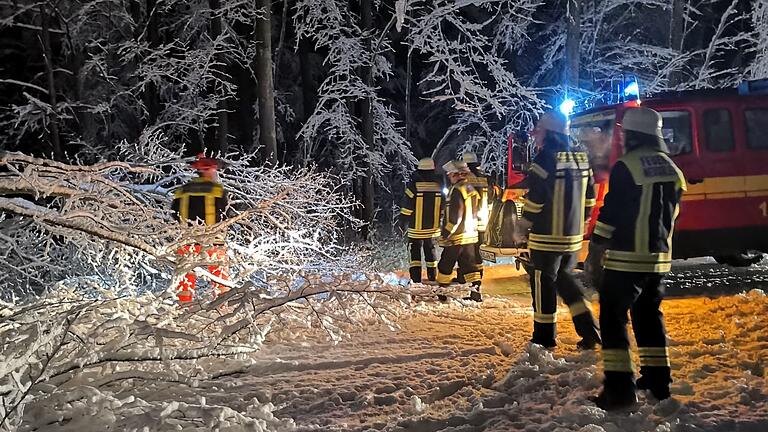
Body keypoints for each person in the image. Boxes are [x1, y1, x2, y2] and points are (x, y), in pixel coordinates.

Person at [587, 107, 686, 410]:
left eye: (624, 132)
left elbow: (612, 211)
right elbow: (674, 212)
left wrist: (597, 245)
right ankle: (658, 381)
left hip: (625, 259)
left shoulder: (626, 166)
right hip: (658, 260)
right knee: (649, 317)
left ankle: (619, 390)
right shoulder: (672, 168)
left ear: (632, 134)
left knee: (613, 319)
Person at [520, 111, 601, 349]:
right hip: (572, 237)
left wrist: (524, 224)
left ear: (549, 132)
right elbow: (590, 196)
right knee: (566, 283)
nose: (536, 137)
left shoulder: (545, 158)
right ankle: (589, 330)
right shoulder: (581, 156)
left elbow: (536, 198)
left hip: (546, 237)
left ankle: (544, 338)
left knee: (543, 285)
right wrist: (583, 220)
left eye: (539, 132)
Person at [171, 153, 230, 303]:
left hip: (187, 241)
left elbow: (174, 214)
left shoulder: (182, 191)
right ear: (207, 171)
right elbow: (224, 215)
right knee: (219, 276)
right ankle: (223, 307)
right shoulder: (217, 190)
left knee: (185, 276)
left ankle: (183, 308)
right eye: (213, 170)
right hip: (212, 241)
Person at [437, 160, 483, 301]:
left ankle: (442, 293)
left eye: (450, 175)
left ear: (457, 175)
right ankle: (475, 293)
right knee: (470, 265)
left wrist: (446, 233)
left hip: (457, 236)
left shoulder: (456, 190)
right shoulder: (470, 188)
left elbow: (455, 217)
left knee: (445, 264)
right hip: (470, 234)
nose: (449, 177)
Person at [400, 158, 443, 283]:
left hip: (416, 228)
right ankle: (432, 276)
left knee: (415, 253)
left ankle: (416, 279)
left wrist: (402, 221)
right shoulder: (439, 185)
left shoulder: (414, 185)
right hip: (433, 228)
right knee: (430, 251)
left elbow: (407, 206)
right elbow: (444, 206)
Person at [462, 152, 491, 282]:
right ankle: (478, 277)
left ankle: (471, 281)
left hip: (470, 222)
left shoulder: (467, 178)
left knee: (469, 254)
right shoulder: (485, 178)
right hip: (484, 221)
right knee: (478, 253)